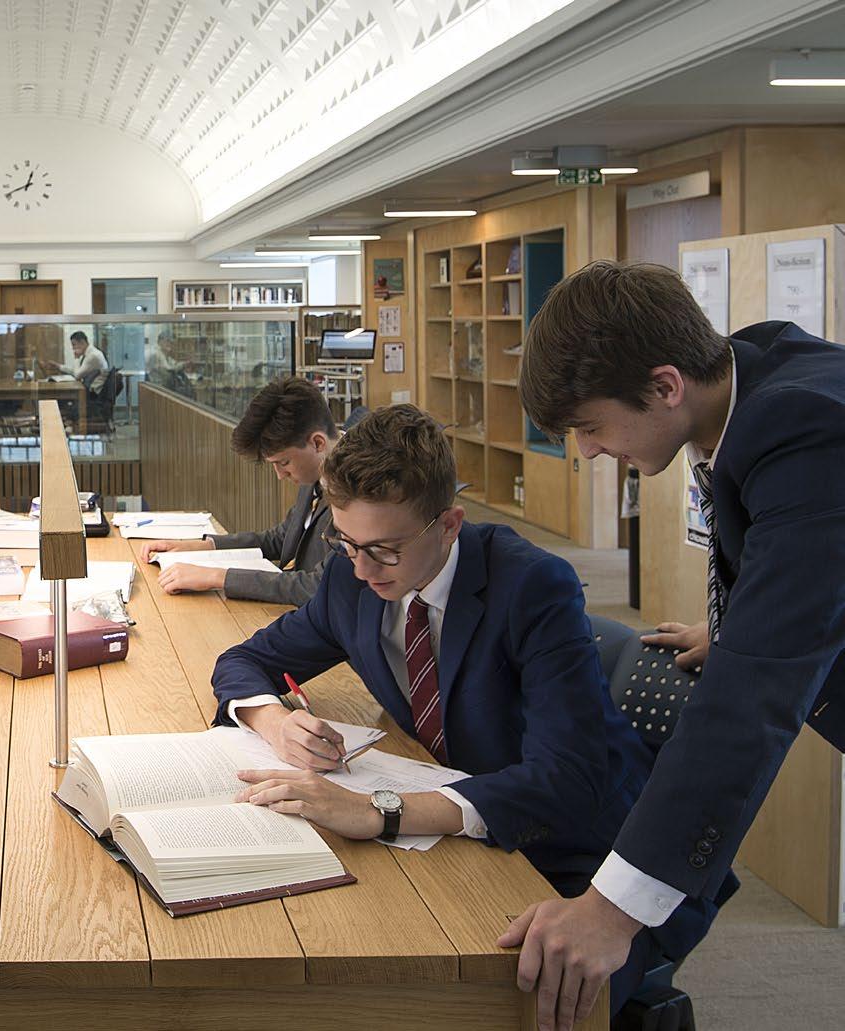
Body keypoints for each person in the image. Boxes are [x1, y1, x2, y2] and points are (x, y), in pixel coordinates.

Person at [210, 405, 722, 1021]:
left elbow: (566, 779)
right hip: (459, 833)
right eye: (346, 542)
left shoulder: (533, 587)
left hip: (584, 861)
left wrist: (381, 812)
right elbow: (243, 661)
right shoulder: (351, 578)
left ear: (449, 525)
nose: (362, 568)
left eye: (385, 549)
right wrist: (275, 723)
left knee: (500, 1003)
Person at [505, 259, 845, 1029]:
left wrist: (610, 909)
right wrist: (738, 624)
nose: (588, 451)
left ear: (664, 385)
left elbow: (747, 702)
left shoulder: (805, 431)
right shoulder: (751, 372)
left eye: (591, 426)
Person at [138, 376, 336, 606]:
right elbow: (283, 538)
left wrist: (218, 577)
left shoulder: (356, 490)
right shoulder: (315, 470)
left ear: (318, 443)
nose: (280, 475)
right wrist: (200, 546)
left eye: (284, 463)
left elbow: (320, 586)